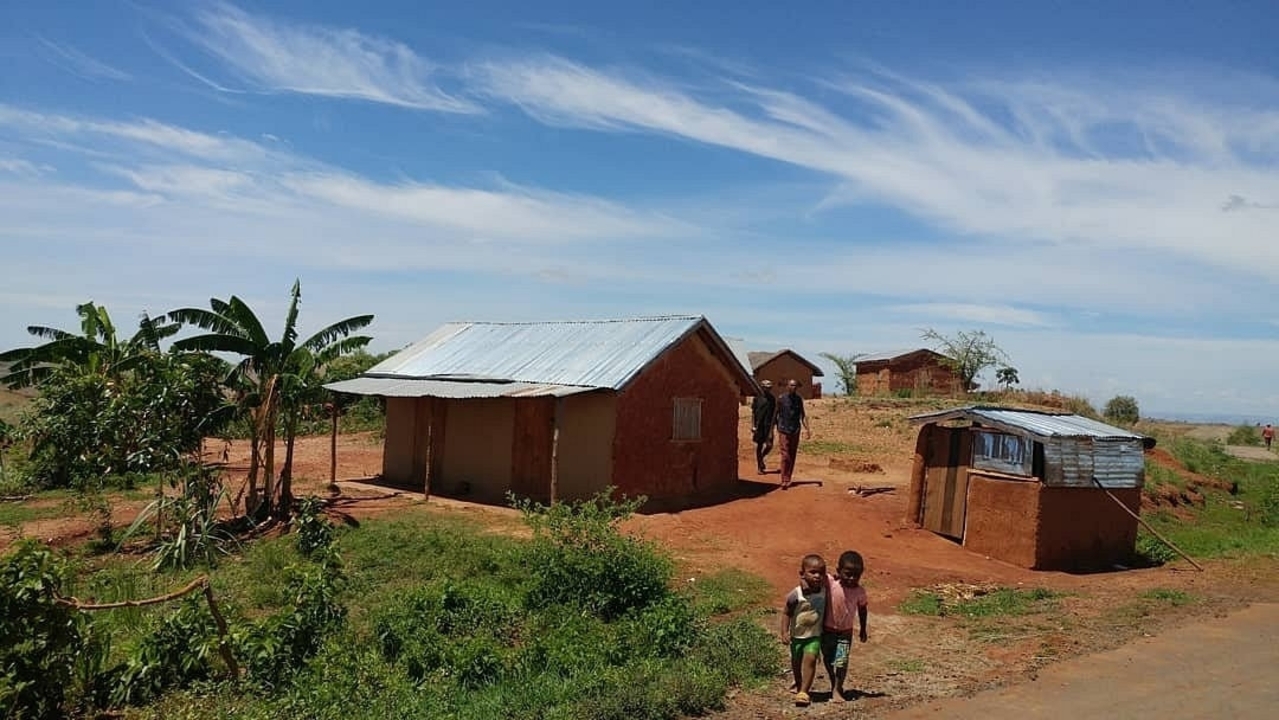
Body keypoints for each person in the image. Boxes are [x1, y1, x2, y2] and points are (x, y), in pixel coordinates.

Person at [780, 554, 828, 707]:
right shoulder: (796, 594)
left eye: (821, 572)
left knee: (811, 659)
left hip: (814, 635)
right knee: (796, 661)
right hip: (797, 636)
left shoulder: (824, 590)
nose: (817, 576)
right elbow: (787, 612)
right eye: (812, 572)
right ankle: (799, 683)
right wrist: (784, 632)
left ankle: (804, 691)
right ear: (802, 574)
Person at [822, 550, 869, 702]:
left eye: (856, 575)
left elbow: (862, 610)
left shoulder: (860, 592)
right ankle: (833, 682)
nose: (851, 578)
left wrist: (863, 629)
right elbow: (815, 573)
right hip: (827, 631)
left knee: (841, 661)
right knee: (828, 658)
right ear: (838, 571)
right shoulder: (831, 583)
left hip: (845, 633)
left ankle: (837, 688)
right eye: (847, 574)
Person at [775, 379, 812, 489]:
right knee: (785, 455)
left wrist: (808, 429)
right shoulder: (781, 399)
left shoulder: (798, 400)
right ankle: (783, 479)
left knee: (792, 454)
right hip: (783, 429)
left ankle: (788, 478)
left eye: (795, 385)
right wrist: (770, 432)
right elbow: (775, 414)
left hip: (795, 430)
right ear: (787, 386)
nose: (793, 387)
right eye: (791, 385)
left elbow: (803, 415)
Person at [751, 379, 777, 473]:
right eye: (766, 387)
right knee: (759, 445)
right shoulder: (757, 398)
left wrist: (774, 425)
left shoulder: (772, 399)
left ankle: (761, 458)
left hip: (768, 425)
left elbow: (774, 413)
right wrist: (753, 425)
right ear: (762, 387)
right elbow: (753, 413)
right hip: (759, 425)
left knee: (769, 445)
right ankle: (759, 466)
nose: (768, 389)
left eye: (769, 388)